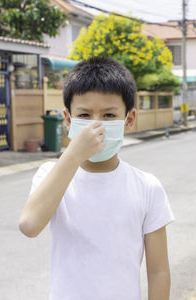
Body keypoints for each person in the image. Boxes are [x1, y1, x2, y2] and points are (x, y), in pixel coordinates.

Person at [19, 56, 175, 300]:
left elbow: (158, 271)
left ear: (129, 120)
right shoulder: (51, 175)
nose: (96, 125)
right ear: (69, 120)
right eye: (84, 115)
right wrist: (73, 155)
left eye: (109, 115)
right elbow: (29, 225)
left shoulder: (147, 187)